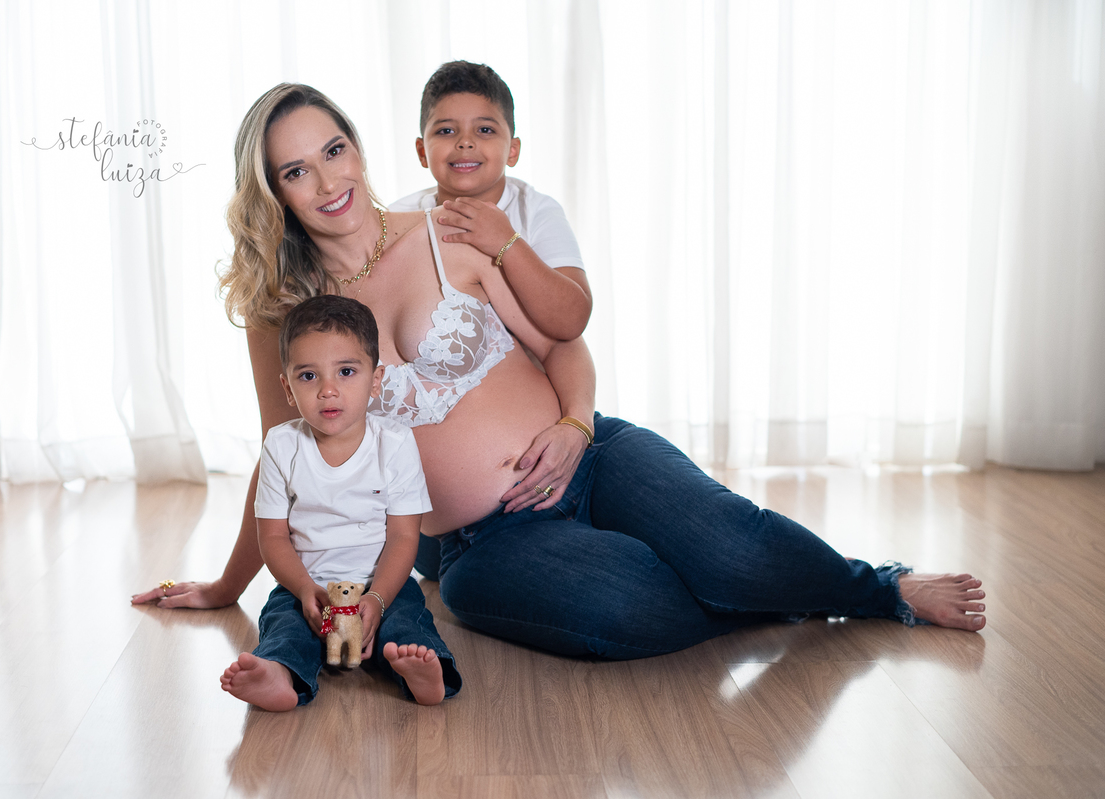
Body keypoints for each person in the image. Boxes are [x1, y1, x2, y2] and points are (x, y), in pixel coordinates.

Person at [133, 83, 987, 661]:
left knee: (732, 542)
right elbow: (279, 463)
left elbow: (561, 340)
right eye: (296, 170)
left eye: (334, 149)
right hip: (479, 542)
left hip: (591, 455)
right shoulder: (284, 315)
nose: (327, 181)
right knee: (630, 609)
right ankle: (766, 592)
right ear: (274, 192)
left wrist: (577, 425)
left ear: (358, 146)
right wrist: (225, 585)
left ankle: (879, 588)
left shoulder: (449, 228)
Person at [219, 295, 460, 709]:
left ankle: (423, 671)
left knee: (407, 621)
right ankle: (280, 674)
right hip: (307, 585)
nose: (327, 390)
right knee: (283, 622)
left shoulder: (395, 443)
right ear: (287, 388)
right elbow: (272, 537)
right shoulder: (281, 445)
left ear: (375, 379)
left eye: (346, 372)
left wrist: (377, 599)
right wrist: (304, 588)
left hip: (381, 584)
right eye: (308, 376)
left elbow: (404, 537)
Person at [389, 61, 591, 341]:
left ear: (512, 151)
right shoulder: (399, 219)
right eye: (446, 131)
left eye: (484, 130)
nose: (465, 142)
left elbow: (572, 320)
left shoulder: (535, 211)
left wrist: (507, 243)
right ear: (422, 152)